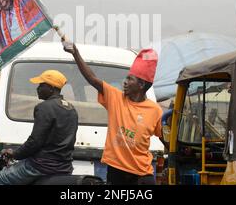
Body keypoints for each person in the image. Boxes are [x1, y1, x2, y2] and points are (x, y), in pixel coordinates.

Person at [63, 41, 163, 185]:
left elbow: (163, 136)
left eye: (130, 79)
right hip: (117, 172)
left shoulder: (155, 110)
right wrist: (75, 53)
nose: (125, 82)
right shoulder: (116, 97)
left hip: (142, 175)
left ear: (141, 85)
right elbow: (92, 79)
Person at [0, 70, 78, 185]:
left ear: (51, 88)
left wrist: (15, 153)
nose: (38, 88)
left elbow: (35, 141)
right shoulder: (71, 109)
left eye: (41, 85)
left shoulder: (44, 107)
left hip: (41, 166)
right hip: (64, 167)